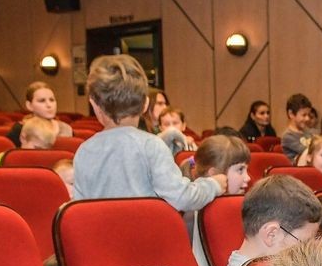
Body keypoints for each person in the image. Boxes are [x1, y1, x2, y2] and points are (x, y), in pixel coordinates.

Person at [73, 55, 225, 211]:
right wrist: (213, 185)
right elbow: (182, 198)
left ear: (95, 105)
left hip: (99, 234)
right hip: (147, 234)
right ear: (145, 104)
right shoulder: (151, 145)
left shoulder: (84, 151)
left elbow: (79, 209)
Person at [184, 134, 252, 266]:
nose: (248, 177)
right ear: (214, 174)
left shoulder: (238, 206)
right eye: (240, 170)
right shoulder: (194, 211)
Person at [6, 81, 72, 147]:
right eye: (42, 101)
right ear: (29, 105)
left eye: (52, 100)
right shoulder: (19, 129)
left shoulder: (67, 129)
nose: (49, 105)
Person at [280, 93, 315, 163]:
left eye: (308, 115)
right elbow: (311, 152)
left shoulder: (309, 132)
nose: (307, 118)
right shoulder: (288, 136)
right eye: (304, 115)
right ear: (291, 114)